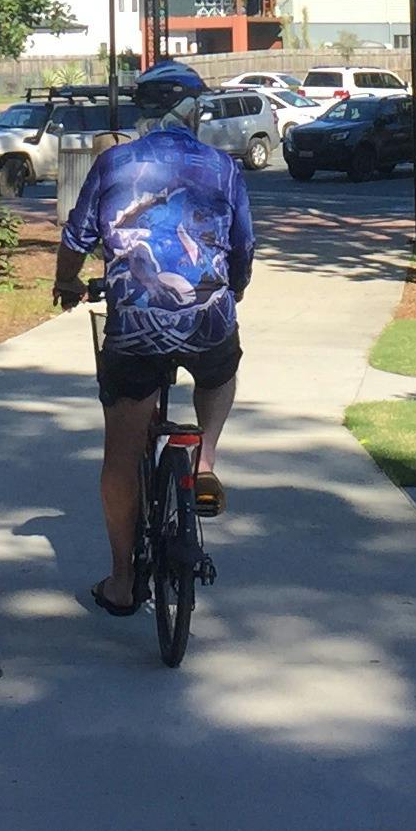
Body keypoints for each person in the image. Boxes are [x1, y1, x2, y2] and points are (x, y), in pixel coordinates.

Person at [51, 89, 254, 620]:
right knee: (220, 369)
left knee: (120, 454)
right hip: (207, 317)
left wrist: (66, 282)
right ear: (195, 119)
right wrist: (233, 288)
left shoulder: (114, 161)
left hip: (135, 330)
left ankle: (122, 583)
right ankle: (204, 460)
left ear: (142, 121)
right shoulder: (222, 166)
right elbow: (243, 245)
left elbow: (77, 236)